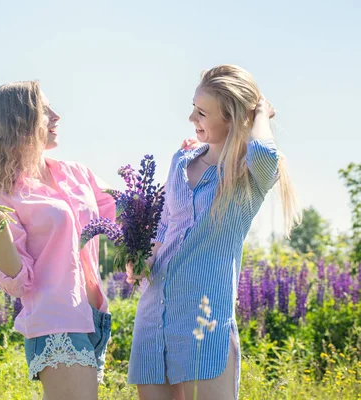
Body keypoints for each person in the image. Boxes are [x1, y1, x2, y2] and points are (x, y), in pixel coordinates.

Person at [126, 65, 300, 400]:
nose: (192, 117)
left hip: (204, 324)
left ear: (232, 118)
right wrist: (143, 259)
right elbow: (165, 225)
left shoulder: (247, 176)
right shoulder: (181, 160)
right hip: (153, 317)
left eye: (203, 112)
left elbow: (265, 152)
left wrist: (259, 112)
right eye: (194, 107)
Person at [0, 81, 114, 400]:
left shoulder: (76, 173)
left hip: (96, 317)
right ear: (20, 121)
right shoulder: (5, 193)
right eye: (45, 110)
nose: (56, 116)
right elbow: (17, 281)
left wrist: (192, 164)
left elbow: (125, 213)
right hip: (56, 321)